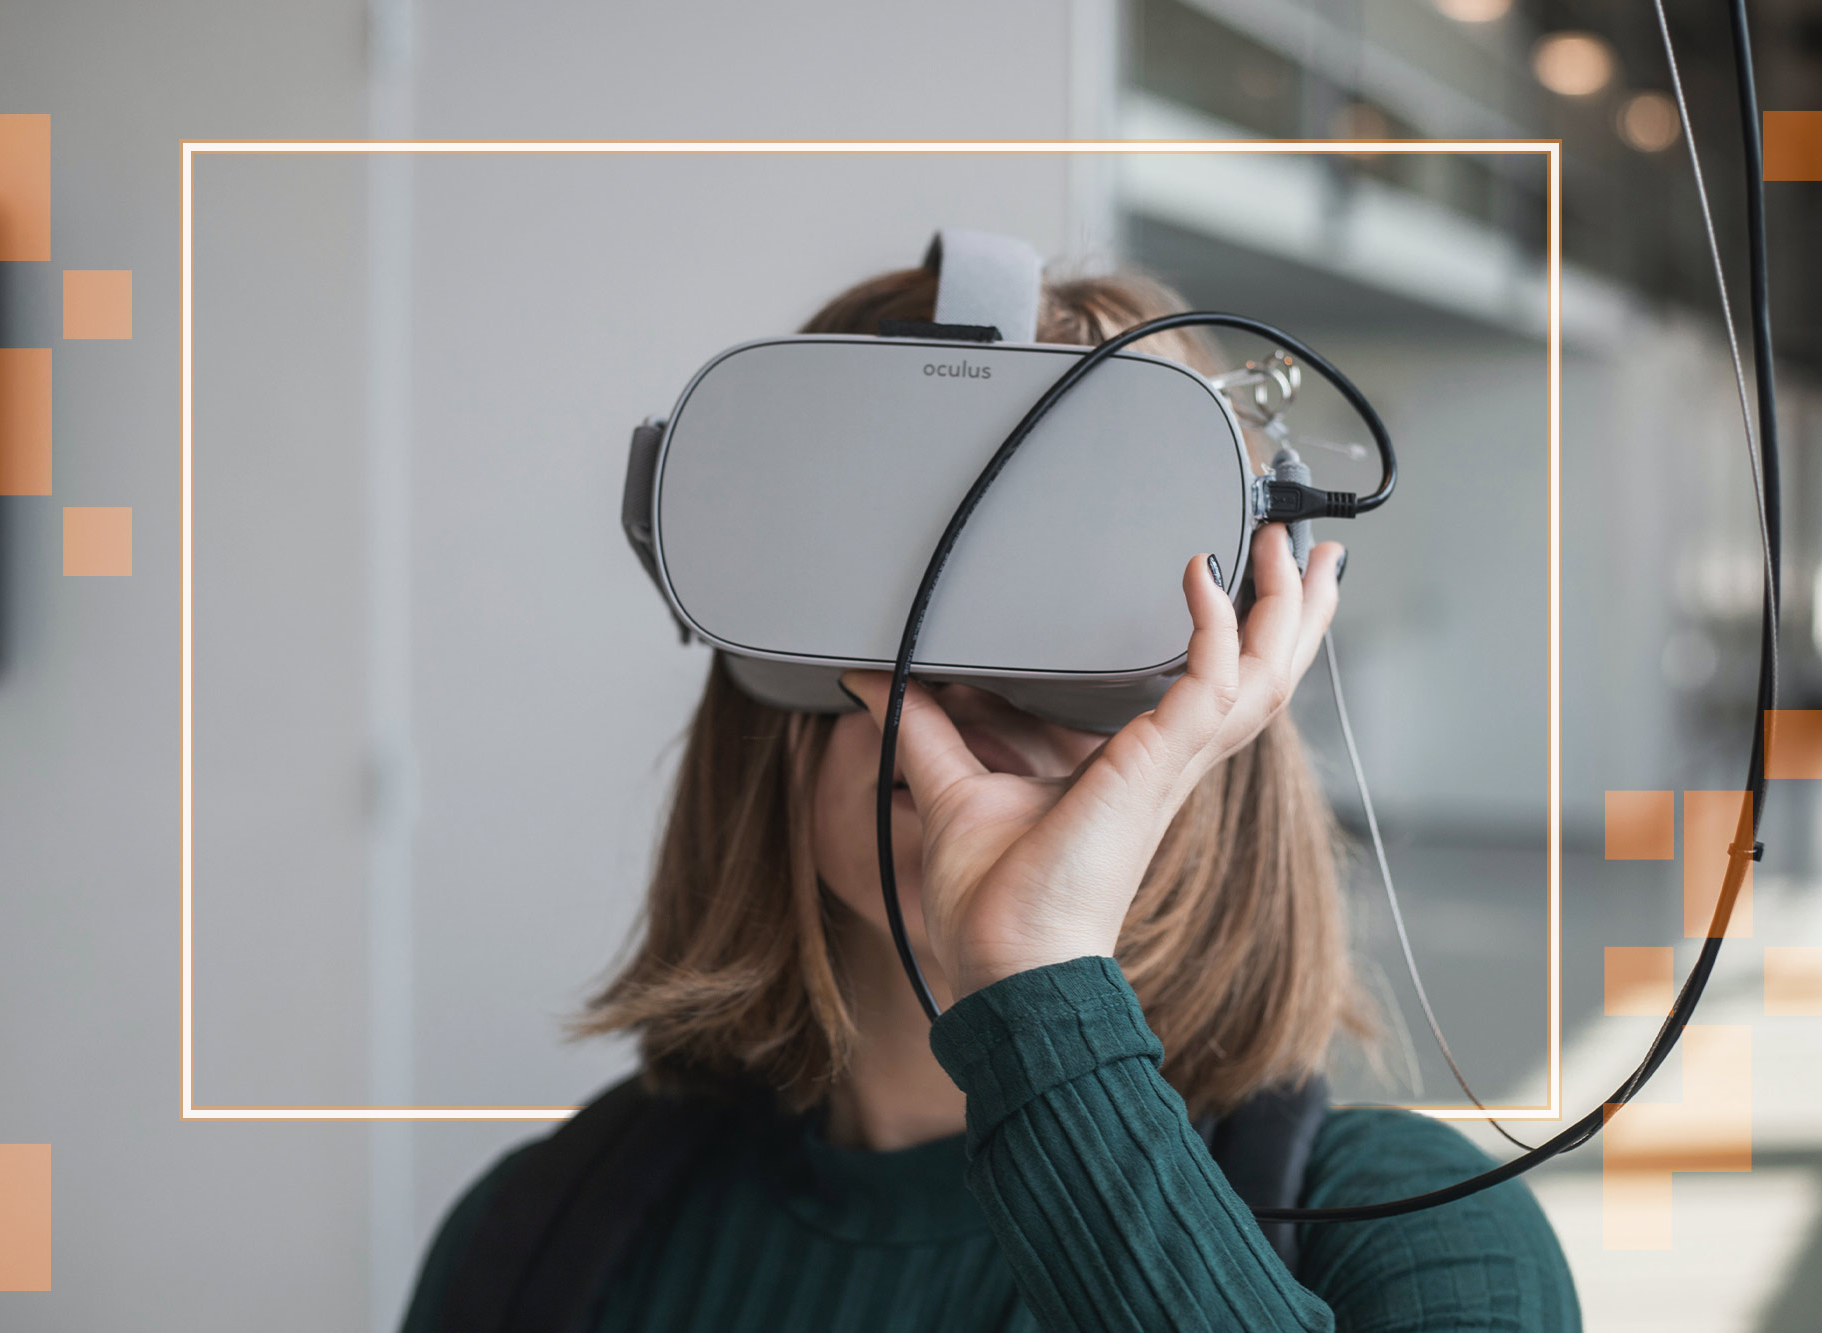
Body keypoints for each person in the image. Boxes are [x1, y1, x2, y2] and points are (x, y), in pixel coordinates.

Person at [400, 261, 1581, 1332]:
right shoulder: (537, 1245)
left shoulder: (1421, 1245)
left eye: (1066, 604)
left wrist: (1034, 973)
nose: (958, 687)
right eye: (886, 578)